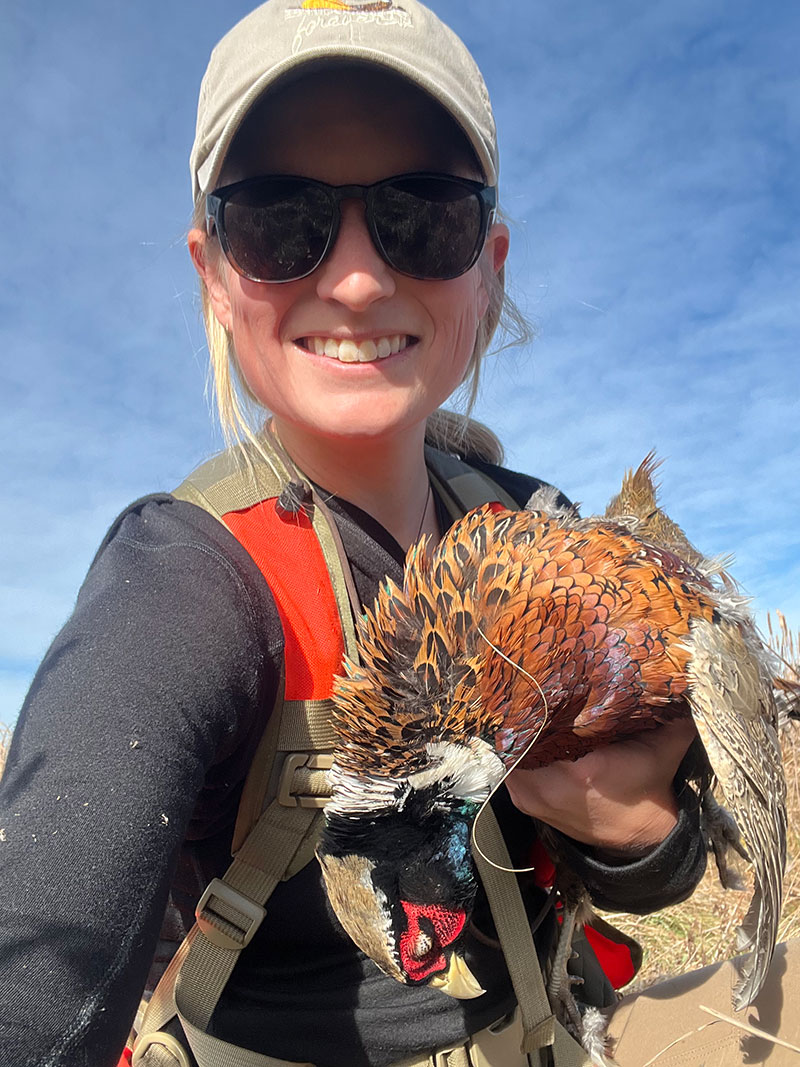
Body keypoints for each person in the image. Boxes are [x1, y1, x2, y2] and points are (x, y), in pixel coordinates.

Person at [0, 3, 715, 1066]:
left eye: (421, 212)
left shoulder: (548, 532)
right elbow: (37, 973)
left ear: (491, 264)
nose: (354, 277)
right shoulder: (185, 584)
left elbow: (674, 852)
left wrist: (642, 835)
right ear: (212, 270)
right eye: (279, 217)